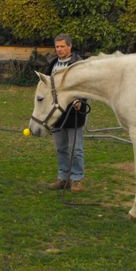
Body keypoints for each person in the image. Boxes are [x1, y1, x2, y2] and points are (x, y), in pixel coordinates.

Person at [46, 33, 88, 193]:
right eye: (57, 46)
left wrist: (80, 101)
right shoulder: (52, 64)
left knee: (75, 149)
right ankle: (63, 178)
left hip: (74, 112)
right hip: (56, 113)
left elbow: (85, 86)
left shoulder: (78, 64)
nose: (59, 49)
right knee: (61, 148)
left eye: (62, 46)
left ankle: (76, 179)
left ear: (70, 46)